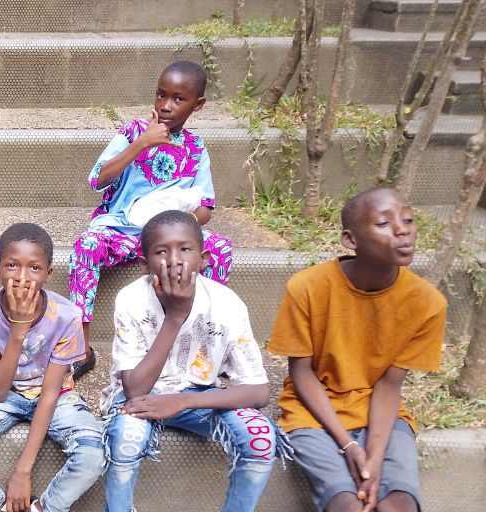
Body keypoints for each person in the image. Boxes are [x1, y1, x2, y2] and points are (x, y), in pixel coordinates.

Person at [268, 187, 446, 512]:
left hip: (381, 413)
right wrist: (349, 445)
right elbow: (302, 373)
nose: (402, 230)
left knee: (399, 504)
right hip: (311, 413)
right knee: (347, 504)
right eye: (384, 223)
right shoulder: (307, 287)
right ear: (351, 239)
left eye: (408, 220)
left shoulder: (427, 303)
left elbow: (389, 385)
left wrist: (373, 459)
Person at [102, 210, 285, 512]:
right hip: (140, 396)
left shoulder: (227, 304)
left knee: (261, 437)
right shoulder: (131, 299)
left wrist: (184, 401)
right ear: (144, 264)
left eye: (185, 249)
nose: (174, 260)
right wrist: (176, 316)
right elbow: (134, 389)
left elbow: (258, 391)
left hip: (199, 396)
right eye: (161, 251)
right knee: (126, 437)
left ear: (204, 259)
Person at [68, 60, 234, 377]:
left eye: (178, 98)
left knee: (220, 249)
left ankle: (203, 344)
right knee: (85, 247)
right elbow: (97, 179)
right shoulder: (133, 132)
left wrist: (177, 224)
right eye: (161, 95)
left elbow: (205, 209)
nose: (166, 105)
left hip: (167, 237)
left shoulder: (196, 149)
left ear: (197, 104)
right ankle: (80, 349)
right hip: (122, 231)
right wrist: (142, 143)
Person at [0, 223, 106, 512]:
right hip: (2, 392)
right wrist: (18, 329)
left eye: (34, 268)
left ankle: (44, 508)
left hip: (55, 394)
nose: (21, 277)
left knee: (94, 454)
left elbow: (50, 393)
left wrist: (23, 471)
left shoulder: (67, 316)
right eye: (11, 265)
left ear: (49, 273)